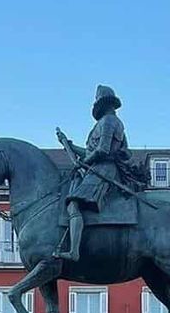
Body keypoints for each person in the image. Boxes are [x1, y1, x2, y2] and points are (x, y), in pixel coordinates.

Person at [54, 85, 148, 262]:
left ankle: (74, 251)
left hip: (104, 169)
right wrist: (69, 145)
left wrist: (85, 162)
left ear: (102, 104)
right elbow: (92, 152)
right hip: (98, 167)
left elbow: (103, 151)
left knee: (73, 204)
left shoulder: (108, 122)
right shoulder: (110, 122)